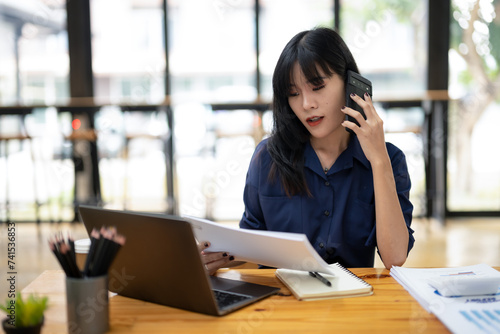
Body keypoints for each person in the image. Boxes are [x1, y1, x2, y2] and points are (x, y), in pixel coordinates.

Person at [202, 26, 414, 272]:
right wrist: (217, 256)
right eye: (293, 93)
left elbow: (394, 257)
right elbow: (251, 241)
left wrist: (379, 161)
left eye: (317, 87)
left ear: (349, 84)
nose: (306, 104)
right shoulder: (267, 158)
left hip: (351, 301)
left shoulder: (389, 160)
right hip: (282, 302)